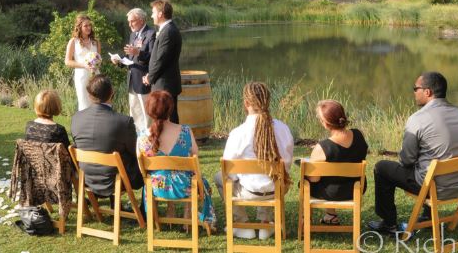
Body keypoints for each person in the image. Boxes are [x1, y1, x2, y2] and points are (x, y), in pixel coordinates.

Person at [368, 72, 458, 235]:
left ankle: (388, 223)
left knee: (382, 167)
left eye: (415, 88)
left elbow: (406, 160)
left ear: (427, 92)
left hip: (434, 187)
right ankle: (426, 216)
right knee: (430, 163)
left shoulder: (418, 119)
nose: (414, 93)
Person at [214, 81, 294, 240]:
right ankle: (266, 223)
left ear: (246, 103)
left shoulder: (238, 133)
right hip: (276, 190)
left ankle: (242, 223)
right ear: (268, 101)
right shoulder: (283, 128)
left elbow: (228, 170)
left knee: (219, 177)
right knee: (272, 178)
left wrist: (239, 177)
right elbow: (288, 163)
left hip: (248, 192)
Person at [137, 91, 216, 227]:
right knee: (195, 178)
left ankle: (172, 209)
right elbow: (195, 157)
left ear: (149, 110)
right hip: (184, 186)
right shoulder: (185, 131)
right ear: (170, 109)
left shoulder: (142, 137)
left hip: (156, 187)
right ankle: (188, 212)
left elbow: (142, 169)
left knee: (167, 174)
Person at [71, 75, 143, 199]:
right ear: (112, 93)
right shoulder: (124, 122)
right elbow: (135, 152)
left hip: (86, 178)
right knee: (140, 160)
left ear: (89, 95)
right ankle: (144, 210)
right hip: (115, 181)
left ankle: (115, 204)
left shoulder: (77, 118)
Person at [305, 100, 368, 225]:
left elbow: (314, 179)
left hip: (332, 193)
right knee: (332, 177)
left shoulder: (322, 147)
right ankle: (331, 215)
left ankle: (304, 219)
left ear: (326, 124)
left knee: (305, 182)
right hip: (356, 187)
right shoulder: (359, 134)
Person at [112, 8, 155, 132]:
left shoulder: (151, 33)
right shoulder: (133, 34)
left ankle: (149, 139)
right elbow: (130, 57)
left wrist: (139, 53)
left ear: (141, 20)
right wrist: (119, 61)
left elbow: (154, 57)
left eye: (132, 21)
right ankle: (137, 138)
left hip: (144, 79)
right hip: (132, 79)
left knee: (147, 113)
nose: (130, 24)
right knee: (134, 111)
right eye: (129, 22)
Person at [143, 0, 182, 124]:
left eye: (153, 12)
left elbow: (161, 59)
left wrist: (150, 77)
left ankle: (171, 142)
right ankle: (167, 142)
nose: (151, 15)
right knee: (165, 119)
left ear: (160, 14)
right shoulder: (167, 30)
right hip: (164, 82)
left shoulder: (168, 32)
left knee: (168, 119)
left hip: (165, 84)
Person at [65, 14, 101, 111]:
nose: (89, 28)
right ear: (79, 27)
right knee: (84, 104)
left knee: (97, 103)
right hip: (82, 76)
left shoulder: (96, 42)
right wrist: (84, 65)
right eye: (86, 26)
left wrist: (97, 63)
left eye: (90, 25)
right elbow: (67, 61)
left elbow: (99, 59)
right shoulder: (73, 42)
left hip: (95, 75)